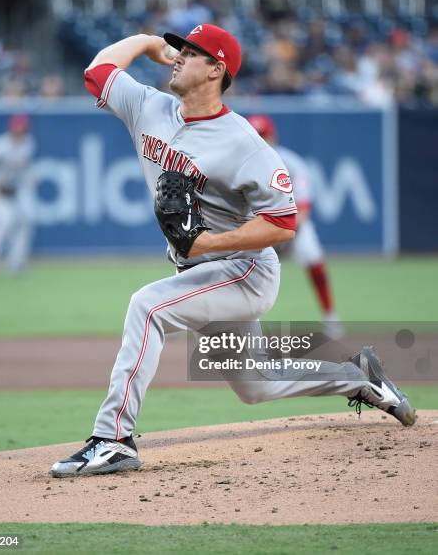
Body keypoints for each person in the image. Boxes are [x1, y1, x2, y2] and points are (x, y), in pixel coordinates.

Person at [49, 24, 415, 478]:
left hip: (243, 272)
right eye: (178, 48)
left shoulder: (242, 142)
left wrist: (212, 243)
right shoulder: (148, 107)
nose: (179, 55)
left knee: (147, 307)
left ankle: (114, 439)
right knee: (256, 386)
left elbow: (283, 224)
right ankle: (359, 377)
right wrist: (147, 44)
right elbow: (97, 71)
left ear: (216, 70)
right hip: (198, 273)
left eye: (190, 52)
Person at [247, 114, 344, 339]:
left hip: (292, 227)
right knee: (238, 269)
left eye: (263, 135)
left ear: (273, 136)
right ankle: (241, 325)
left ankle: (330, 316)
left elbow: (303, 208)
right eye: (255, 135)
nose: (260, 140)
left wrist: (282, 235)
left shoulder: (291, 162)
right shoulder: (241, 164)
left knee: (313, 256)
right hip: (257, 228)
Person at [0, 113, 36, 273]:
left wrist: (29, 179)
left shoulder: (28, 144)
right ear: (11, 129)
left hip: (12, 190)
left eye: (22, 129)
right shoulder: (0, 145)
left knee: (24, 221)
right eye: (17, 129)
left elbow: (24, 168)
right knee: (5, 219)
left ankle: (17, 261)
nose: (20, 132)